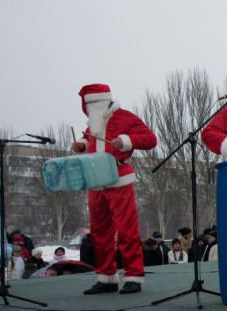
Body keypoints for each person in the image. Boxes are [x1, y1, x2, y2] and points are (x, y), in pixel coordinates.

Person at [72, 83, 157, 295]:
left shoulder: (125, 117)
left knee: (127, 230)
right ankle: (106, 277)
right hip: (96, 182)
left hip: (119, 179)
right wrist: (81, 145)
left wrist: (127, 141)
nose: (88, 108)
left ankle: (133, 276)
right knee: (99, 233)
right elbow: (92, 141)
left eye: (91, 104)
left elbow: (150, 139)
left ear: (103, 101)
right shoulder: (93, 124)